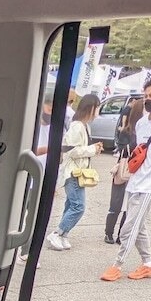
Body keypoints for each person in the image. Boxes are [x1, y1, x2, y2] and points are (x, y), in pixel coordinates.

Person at [100, 77, 151, 282]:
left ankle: (117, 265)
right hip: (136, 180)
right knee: (139, 225)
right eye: (145, 96)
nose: (148, 99)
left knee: (129, 228)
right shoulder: (142, 123)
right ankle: (148, 264)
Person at [47, 93, 101, 250]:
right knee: (78, 206)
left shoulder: (84, 126)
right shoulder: (77, 126)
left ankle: (63, 234)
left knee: (71, 204)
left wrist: (93, 148)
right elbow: (70, 150)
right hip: (73, 172)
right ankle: (57, 233)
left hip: (78, 172)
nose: (98, 111)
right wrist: (92, 149)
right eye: (97, 108)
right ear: (90, 108)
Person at [104, 98, 143, 244]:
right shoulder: (127, 131)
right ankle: (109, 233)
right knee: (116, 203)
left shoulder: (145, 132)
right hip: (124, 169)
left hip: (136, 172)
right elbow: (122, 150)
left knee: (129, 206)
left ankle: (122, 234)